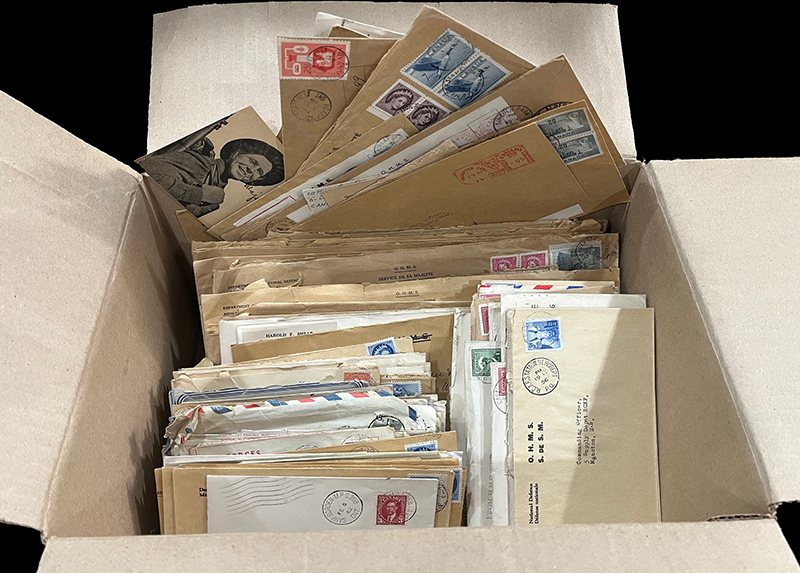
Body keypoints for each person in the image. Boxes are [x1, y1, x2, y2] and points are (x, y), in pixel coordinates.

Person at [138, 131, 284, 218]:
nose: (251, 170)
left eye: (259, 172)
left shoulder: (217, 195)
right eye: (252, 161)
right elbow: (149, 172)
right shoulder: (200, 163)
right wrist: (200, 194)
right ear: (238, 153)